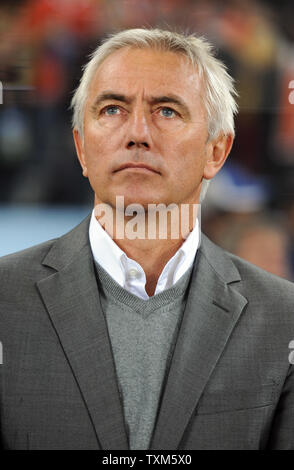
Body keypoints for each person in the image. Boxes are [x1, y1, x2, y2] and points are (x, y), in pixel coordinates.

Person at [1, 28, 294, 451]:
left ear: (216, 151)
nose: (137, 133)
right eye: (113, 109)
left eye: (167, 111)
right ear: (82, 149)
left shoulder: (283, 320)